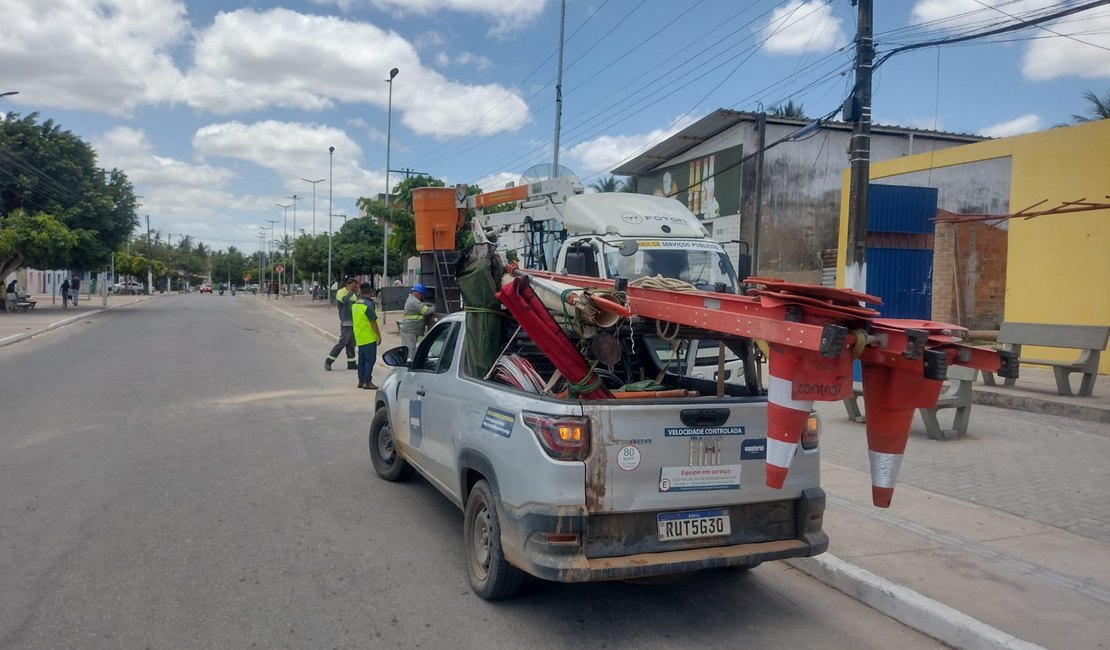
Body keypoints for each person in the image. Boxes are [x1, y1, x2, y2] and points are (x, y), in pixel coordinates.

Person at [325, 277, 360, 371]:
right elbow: (345, 300)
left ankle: (351, 363)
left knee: (352, 343)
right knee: (343, 342)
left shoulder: (353, 294)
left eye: (356, 287)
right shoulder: (341, 292)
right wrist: (351, 291)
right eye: (354, 286)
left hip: (354, 322)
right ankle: (329, 361)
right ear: (348, 284)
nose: (355, 288)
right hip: (346, 321)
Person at [352, 282, 382, 390]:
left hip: (359, 336)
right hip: (368, 337)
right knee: (370, 360)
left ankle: (360, 381)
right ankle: (367, 381)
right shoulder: (368, 305)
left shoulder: (355, 303)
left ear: (360, 291)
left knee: (361, 360)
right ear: (371, 292)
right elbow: (373, 322)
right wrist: (378, 336)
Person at [400, 283, 435, 360]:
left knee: (410, 350)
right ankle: (407, 367)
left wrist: (429, 304)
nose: (423, 297)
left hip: (411, 330)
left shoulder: (413, 300)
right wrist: (436, 307)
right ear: (419, 293)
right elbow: (426, 311)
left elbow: (422, 305)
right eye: (423, 294)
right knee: (409, 352)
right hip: (410, 330)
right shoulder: (414, 302)